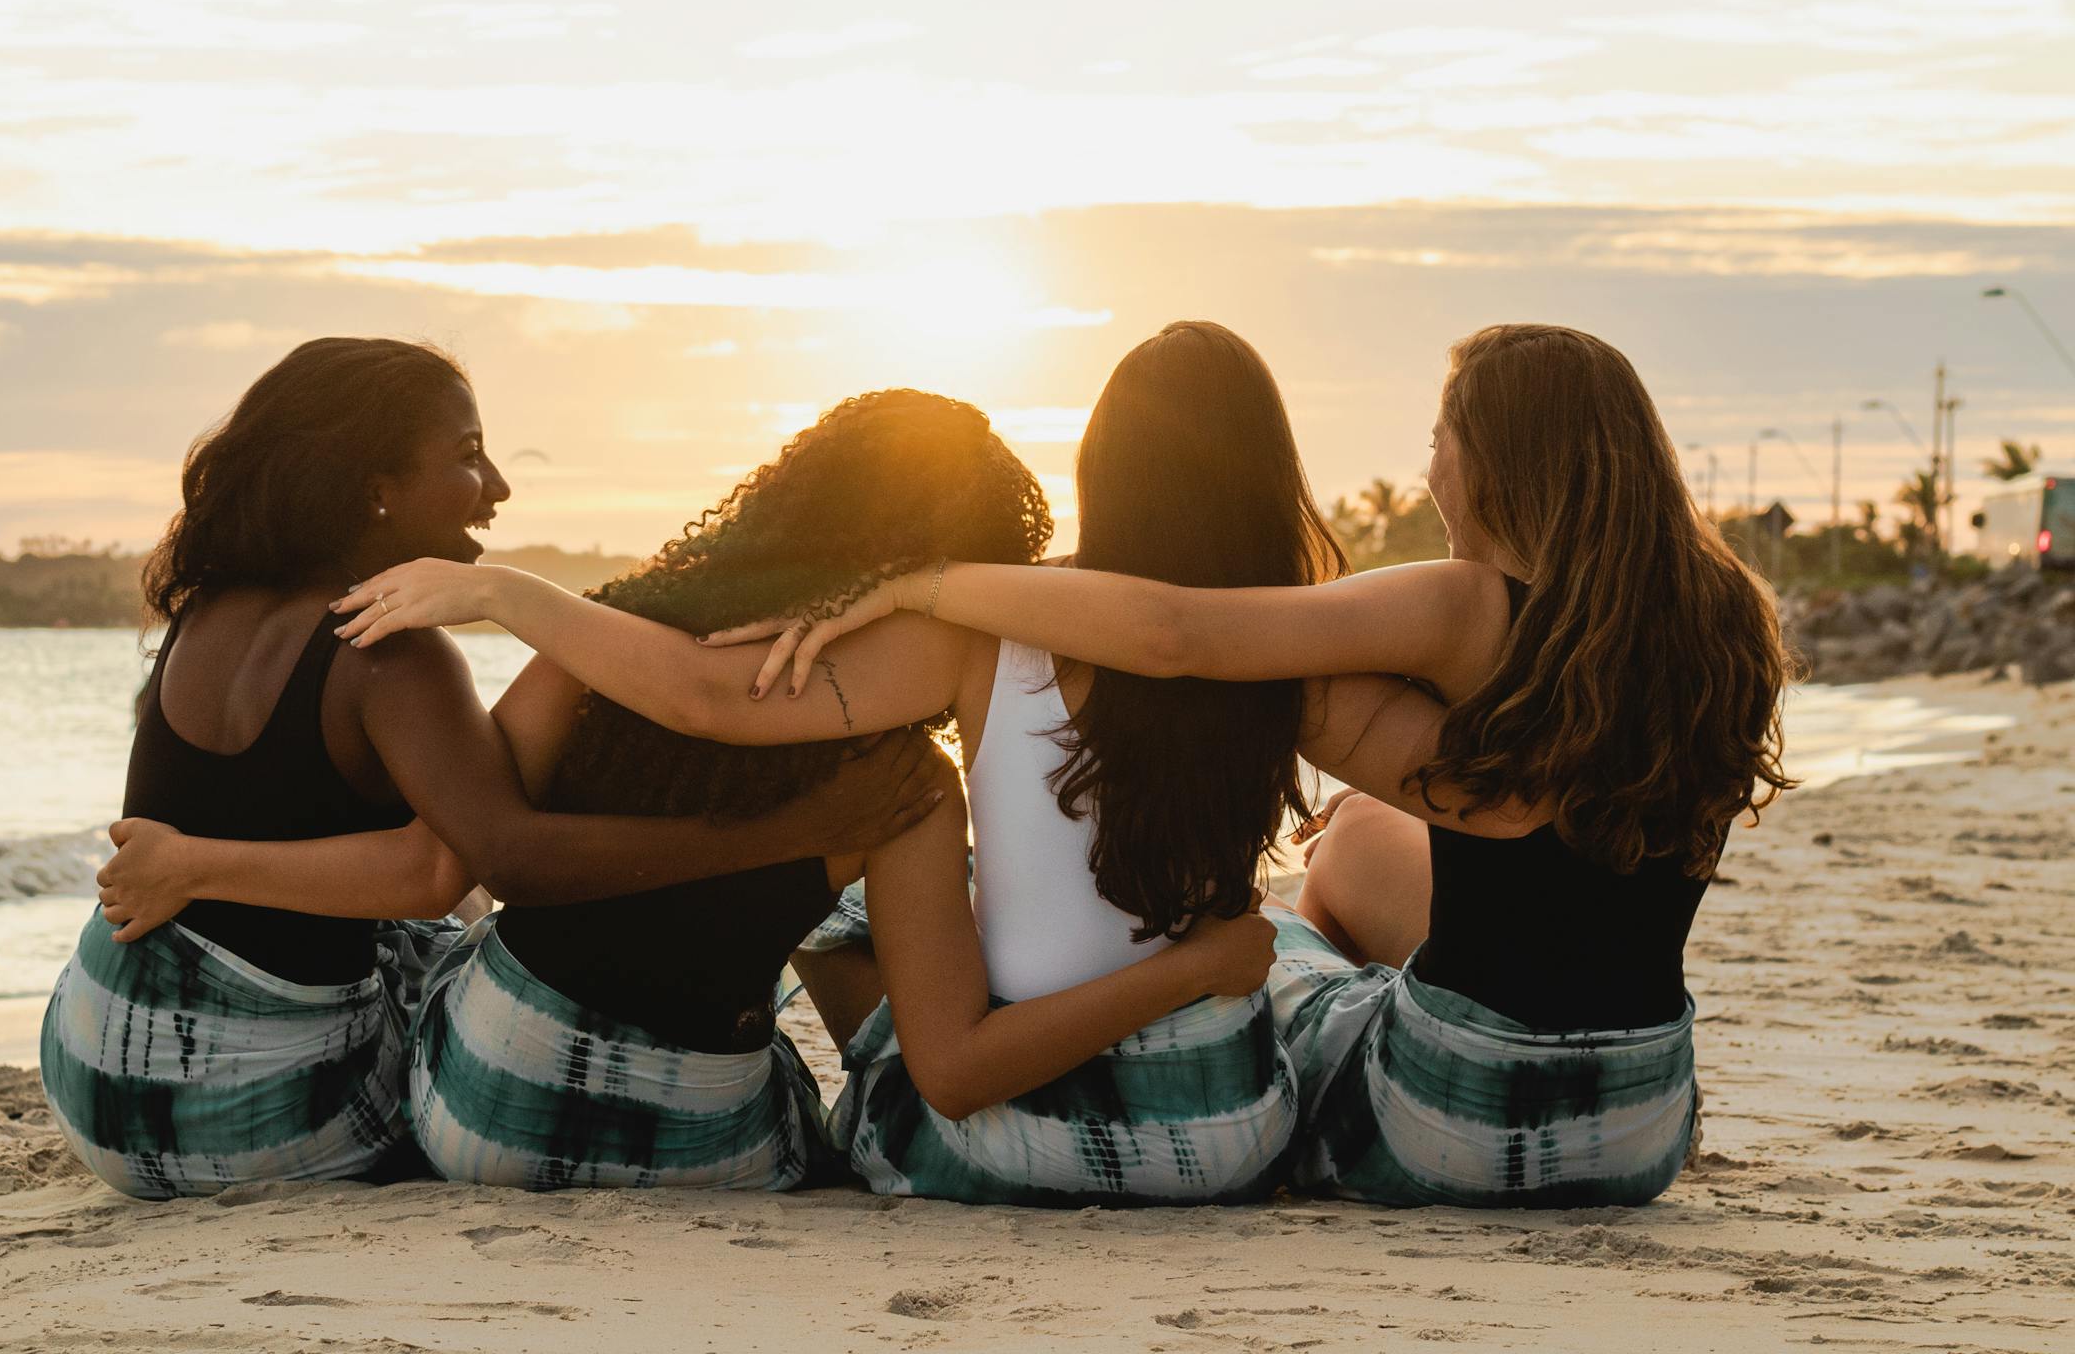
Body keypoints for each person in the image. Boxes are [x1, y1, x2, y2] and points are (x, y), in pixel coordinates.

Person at [336, 328, 1443, 1205]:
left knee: (854, 937)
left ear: (1102, 468)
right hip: (1222, 1145)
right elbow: (1468, 790)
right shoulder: (1295, 657)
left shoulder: (970, 636)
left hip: (983, 1150)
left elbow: (708, 698)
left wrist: (510, 595)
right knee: (1290, 949)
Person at [704, 323, 1794, 1208]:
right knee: (1361, 839)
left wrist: (924, 583)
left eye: (1438, 437)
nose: (1427, 470)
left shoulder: (1461, 603)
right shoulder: (1727, 617)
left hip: (1449, 1119)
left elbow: (1179, 635)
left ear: (1501, 457)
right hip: (1643, 1117)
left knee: (1293, 968)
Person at [111, 386, 1278, 1194]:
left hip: (474, 1113)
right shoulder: (901, 784)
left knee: (444, 960)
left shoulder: (607, 629)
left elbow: (455, 843)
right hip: (696, 1137)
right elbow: (951, 1066)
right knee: (817, 1013)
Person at [43, 339, 942, 1199]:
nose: (499, 487)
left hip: (95, 1070)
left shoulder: (207, 612)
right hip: (250, 1122)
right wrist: (802, 832)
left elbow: (412, 857)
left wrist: (198, 865)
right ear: (376, 488)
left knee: (427, 937)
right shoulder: (392, 655)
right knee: (463, 962)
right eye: (470, 455)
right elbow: (475, 865)